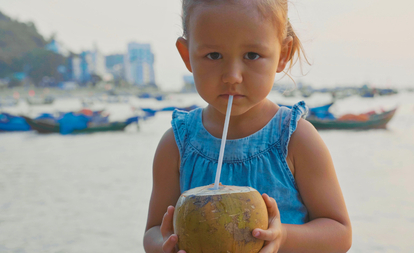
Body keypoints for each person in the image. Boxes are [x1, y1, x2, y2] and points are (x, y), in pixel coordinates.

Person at [144, 0, 352, 252]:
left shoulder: (296, 139)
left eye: (252, 55)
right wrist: (166, 245)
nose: (232, 75)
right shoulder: (176, 145)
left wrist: (282, 236)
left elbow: (339, 233)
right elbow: (153, 231)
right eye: (213, 55)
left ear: (282, 55)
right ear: (187, 55)